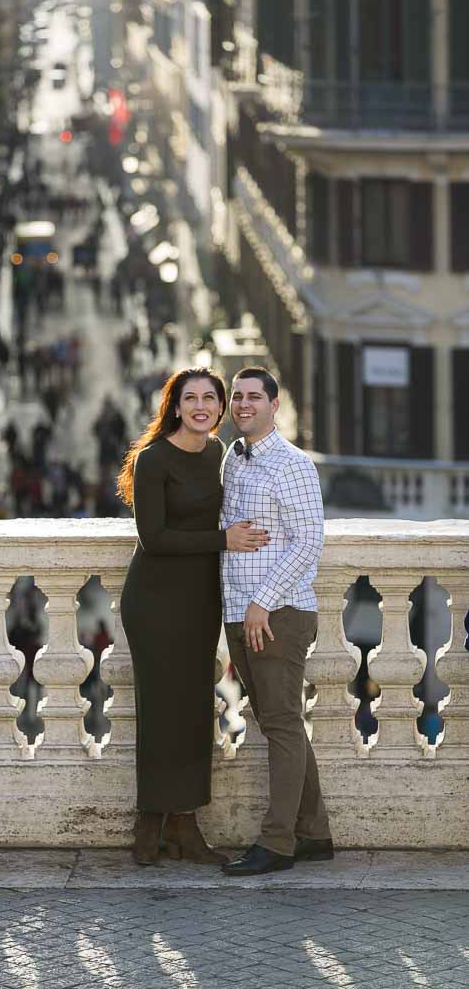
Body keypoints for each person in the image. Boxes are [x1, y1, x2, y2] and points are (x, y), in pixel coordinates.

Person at [116, 367, 270, 865]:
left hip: (202, 600)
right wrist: (223, 540)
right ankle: (149, 822)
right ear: (175, 407)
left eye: (210, 398)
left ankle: (185, 827)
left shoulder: (219, 456)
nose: (201, 406)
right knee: (160, 711)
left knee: (195, 711)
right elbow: (153, 539)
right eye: (191, 398)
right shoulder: (153, 459)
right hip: (155, 602)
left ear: (220, 409)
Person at [219, 366, 332, 877]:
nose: (243, 404)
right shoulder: (233, 459)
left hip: (277, 613)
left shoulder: (293, 465)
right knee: (275, 720)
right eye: (237, 396)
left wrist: (263, 601)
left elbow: (309, 540)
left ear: (274, 403)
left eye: (253, 397)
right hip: (239, 611)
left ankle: (278, 842)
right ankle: (314, 833)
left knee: (282, 722)